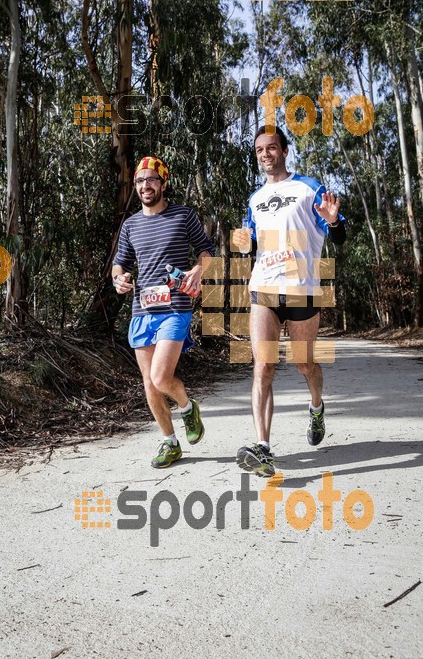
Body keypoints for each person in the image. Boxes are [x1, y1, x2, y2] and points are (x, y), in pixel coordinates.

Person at [234, 126, 346, 477]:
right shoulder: (253, 199)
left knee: (304, 364)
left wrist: (331, 221)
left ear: (284, 150)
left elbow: (338, 235)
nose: (265, 154)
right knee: (263, 366)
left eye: (271, 148)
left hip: (302, 288)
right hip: (264, 287)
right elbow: (250, 244)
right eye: (259, 150)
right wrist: (243, 243)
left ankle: (316, 406)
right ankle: (263, 448)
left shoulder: (309, 187)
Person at [112, 156, 215, 469]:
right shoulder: (130, 225)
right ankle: (170, 442)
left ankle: (186, 406)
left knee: (160, 376)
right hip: (142, 308)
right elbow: (120, 263)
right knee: (148, 383)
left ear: (163, 183)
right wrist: (120, 279)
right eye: (140, 180)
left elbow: (207, 252)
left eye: (151, 179)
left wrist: (199, 269)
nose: (145, 185)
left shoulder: (183, 216)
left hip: (175, 307)